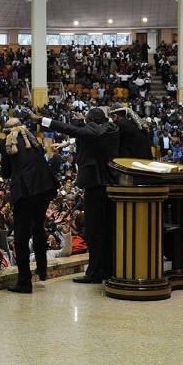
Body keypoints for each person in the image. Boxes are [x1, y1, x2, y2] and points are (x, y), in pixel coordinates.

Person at [34, 107, 119, 284]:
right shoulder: (110, 129)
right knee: (107, 231)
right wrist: (84, 120)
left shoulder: (93, 131)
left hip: (95, 185)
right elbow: (91, 130)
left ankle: (94, 273)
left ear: (91, 122)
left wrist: (42, 120)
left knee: (94, 231)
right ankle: (106, 270)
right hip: (108, 185)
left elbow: (68, 128)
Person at [0, 118, 59, 293]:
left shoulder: (9, 142)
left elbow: (5, 173)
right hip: (44, 187)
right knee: (39, 227)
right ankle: (42, 269)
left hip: (25, 190)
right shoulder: (32, 139)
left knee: (21, 236)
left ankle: (24, 282)